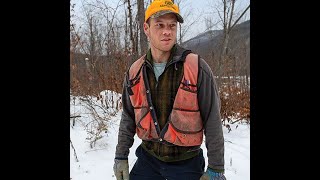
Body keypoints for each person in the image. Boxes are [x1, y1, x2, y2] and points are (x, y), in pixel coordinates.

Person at [113, 0, 226, 179]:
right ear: (146, 28)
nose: (167, 31)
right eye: (159, 25)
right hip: (148, 160)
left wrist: (216, 168)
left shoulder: (196, 67)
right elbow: (128, 117)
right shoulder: (135, 71)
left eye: (172, 26)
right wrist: (121, 156)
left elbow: (212, 119)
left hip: (187, 163)